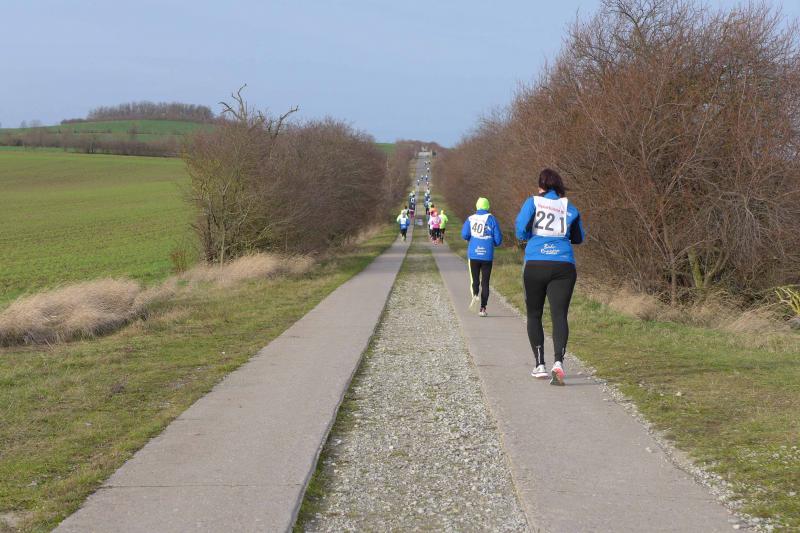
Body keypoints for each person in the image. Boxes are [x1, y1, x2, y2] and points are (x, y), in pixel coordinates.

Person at [515, 168, 584, 386]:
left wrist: (531, 236)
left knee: (534, 314)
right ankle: (558, 363)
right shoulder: (569, 206)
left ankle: (539, 365)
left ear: (541, 187)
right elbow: (578, 238)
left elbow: (520, 230)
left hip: (535, 263)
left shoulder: (533, 202)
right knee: (559, 315)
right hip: (563, 265)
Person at [461, 197, 502, 317]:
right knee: (485, 282)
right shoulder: (492, 219)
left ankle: (475, 295)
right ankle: (483, 308)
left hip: (473, 254)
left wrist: (470, 238)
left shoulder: (470, 218)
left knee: (474, 280)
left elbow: (464, 234)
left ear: (477, 206)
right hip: (487, 255)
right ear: (488, 206)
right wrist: (493, 243)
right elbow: (498, 239)